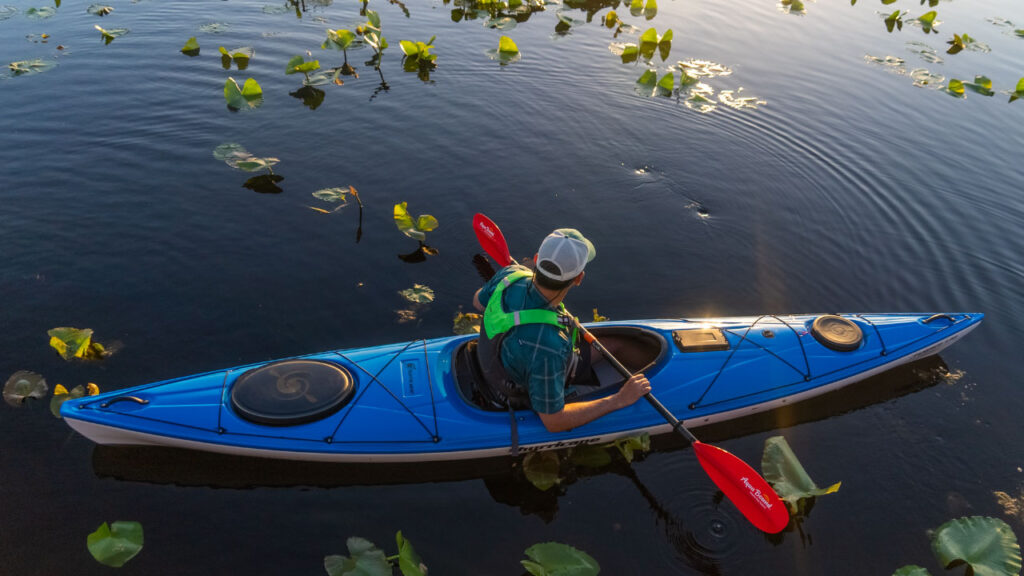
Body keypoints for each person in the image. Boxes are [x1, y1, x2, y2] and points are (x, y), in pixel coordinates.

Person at [473, 228, 651, 433]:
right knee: (619, 346)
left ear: (537, 259)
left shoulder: (509, 276)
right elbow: (554, 421)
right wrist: (619, 400)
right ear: (578, 278)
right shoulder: (550, 346)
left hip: (495, 363)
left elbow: (478, 301)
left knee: (613, 345)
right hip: (512, 391)